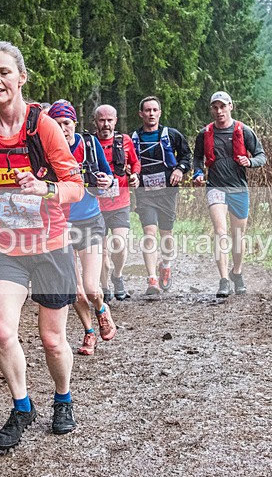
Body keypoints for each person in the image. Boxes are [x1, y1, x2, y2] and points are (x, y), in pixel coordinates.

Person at [0, 42, 84, 450]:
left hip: (50, 245)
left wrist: (44, 187)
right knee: (2, 330)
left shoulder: (44, 127)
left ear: (21, 78)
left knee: (53, 340)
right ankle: (21, 407)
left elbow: (75, 187)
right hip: (6, 248)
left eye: (3, 73)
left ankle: (63, 399)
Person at [48, 100, 117, 356]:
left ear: (74, 123)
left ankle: (101, 309)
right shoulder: (45, 148)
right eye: (56, 124)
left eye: (66, 123)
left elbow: (108, 176)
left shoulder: (88, 144)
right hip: (59, 223)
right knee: (74, 291)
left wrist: (105, 180)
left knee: (90, 286)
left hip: (89, 219)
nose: (62, 128)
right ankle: (89, 333)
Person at [192, 91, 267, 297]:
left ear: (230, 107)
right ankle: (224, 279)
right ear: (211, 110)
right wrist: (197, 173)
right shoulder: (205, 133)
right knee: (220, 232)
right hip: (215, 187)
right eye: (215, 107)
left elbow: (262, 156)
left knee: (237, 236)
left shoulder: (244, 130)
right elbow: (197, 158)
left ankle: (237, 272)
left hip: (238, 188)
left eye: (222, 107)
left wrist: (249, 162)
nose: (219, 111)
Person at [132, 96, 191, 295]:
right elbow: (128, 163)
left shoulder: (171, 135)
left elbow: (186, 156)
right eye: (147, 110)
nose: (151, 114)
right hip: (145, 194)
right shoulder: (133, 138)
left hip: (167, 192)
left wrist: (180, 170)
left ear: (160, 112)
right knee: (149, 233)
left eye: (154, 110)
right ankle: (152, 280)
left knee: (166, 235)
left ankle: (165, 265)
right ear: (141, 114)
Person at [92, 104, 141, 302]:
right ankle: (104, 288)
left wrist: (135, 175)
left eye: (109, 120)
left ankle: (118, 276)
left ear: (115, 121)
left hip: (120, 202)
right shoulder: (89, 143)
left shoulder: (124, 141)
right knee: (102, 255)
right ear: (95, 122)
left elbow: (136, 162)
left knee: (119, 244)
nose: (106, 124)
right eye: (102, 120)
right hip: (96, 205)